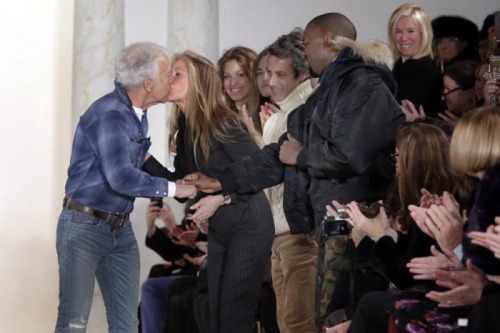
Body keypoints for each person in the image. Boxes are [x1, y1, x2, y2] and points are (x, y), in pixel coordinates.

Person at [185, 12, 405, 328]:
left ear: (328, 41)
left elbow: (350, 156)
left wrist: (301, 156)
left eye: (307, 42)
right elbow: (278, 155)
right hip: (330, 219)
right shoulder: (327, 91)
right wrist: (223, 181)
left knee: (336, 317)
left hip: (356, 218)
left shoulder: (362, 83)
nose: (304, 51)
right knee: (318, 318)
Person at [55, 42, 196, 333]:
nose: (171, 79)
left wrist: (176, 177)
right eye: (168, 73)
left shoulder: (135, 114)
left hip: (120, 230)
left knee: (126, 324)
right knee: (74, 322)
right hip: (84, 226)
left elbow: (139, 158)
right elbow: (121, 177)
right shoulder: (111, 114)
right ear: (148, 83)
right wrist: (173, 189)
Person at [143, 51, 274, 333]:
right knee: (215, 316)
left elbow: (261, 169)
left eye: (177, 73)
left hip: (248, 224)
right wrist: (145, 158)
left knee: (234, 318)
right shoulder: (186, 128)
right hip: (222, 230)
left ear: (199, 81)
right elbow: (184, 188)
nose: (169, 79)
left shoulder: (221, 121)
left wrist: (221, 197)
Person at [326, 122, 469, 333]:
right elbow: (412, 259)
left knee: (367, 304)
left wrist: (375, 236)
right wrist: (384, 233)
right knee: (346, 291)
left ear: (416, 162)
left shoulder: (442, 202)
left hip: (437, 300)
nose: (396, 163)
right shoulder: (423, 198)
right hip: (413, 291)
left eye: (399, 157)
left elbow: (407, 276)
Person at [263, 27, 319, 333]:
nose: (270, 81)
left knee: (300, 325)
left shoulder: (311, 111)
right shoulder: (276, 116)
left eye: (279, 74)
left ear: (302, 73)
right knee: (288, 325)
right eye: (268, 73)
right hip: (279, 236)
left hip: (302, 235)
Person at [140, 199, 206, 333]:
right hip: (191, 271)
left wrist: (196, 240)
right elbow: (175, 254)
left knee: (163, 292)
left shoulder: (219, 205)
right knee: (155, 276)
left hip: (207, 271)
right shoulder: (192, 206)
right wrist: (154, 227)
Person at [388, 3, 443, 118]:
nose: (403, 38)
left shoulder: (425, 70)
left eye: (410, 31)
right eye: (398, 31)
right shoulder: (397, 66)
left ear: (423, 34)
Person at [217, 46, 262, 133]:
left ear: (253, 76)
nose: (232, 83)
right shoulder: (222, 118)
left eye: (240, 75)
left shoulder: (267, 114)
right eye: (227, 76)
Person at [438, 59, 478, 127]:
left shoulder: (482, 122)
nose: (442, 98)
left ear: (469, 93)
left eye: (448, 89)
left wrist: (464, 130)